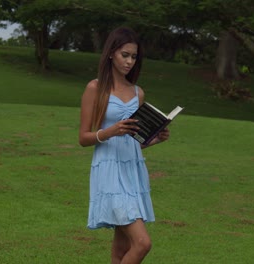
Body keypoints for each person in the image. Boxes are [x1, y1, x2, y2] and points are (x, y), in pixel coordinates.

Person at [79, 27, 170, 263]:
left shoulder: (138, 93)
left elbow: (133, 143)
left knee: (121, 250)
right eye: (125, 55)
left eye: (134, 57)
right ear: (111, 53)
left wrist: (154, 139)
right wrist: (109, 131)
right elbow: (83, 138)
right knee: (142, 243)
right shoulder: (95, 88)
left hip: (133, 171)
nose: (129, 61)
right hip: (109, 170)